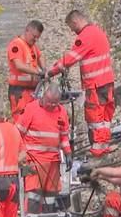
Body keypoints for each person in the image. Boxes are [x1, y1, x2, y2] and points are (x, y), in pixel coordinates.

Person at [48, 10, 115, 157]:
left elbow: (71, 58)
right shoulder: (98, 31)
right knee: (105, 115)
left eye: (72, 28)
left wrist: (52, 71)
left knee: (94, 115)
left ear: (75, 21)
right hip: (107, 80)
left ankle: (98, 147)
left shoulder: (85, 36)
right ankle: (104, 145)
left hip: (94, 83)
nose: (73, 32)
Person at [16, 83, 72, 214]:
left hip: (52, 162)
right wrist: (22, 153)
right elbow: (17, 133)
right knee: (33, 197)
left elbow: (64, 137)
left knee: (50, 199)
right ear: (43, 97)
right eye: (50, 102)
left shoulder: (62, 111)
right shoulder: (31, 108)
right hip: (34, 161)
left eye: (55, 103)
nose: (52, 105)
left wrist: (68, 153)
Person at [7, 20, 47, 123]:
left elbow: (40, 56)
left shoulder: (32, 46)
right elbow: (18, 65)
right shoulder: (16, 44)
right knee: (19, 120)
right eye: (34, 36)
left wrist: (44, 68)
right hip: (19, 91)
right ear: (27, 30)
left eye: (38, 37)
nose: (35, 39)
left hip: (32, 91)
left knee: (32, 120)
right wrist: (38, 72)